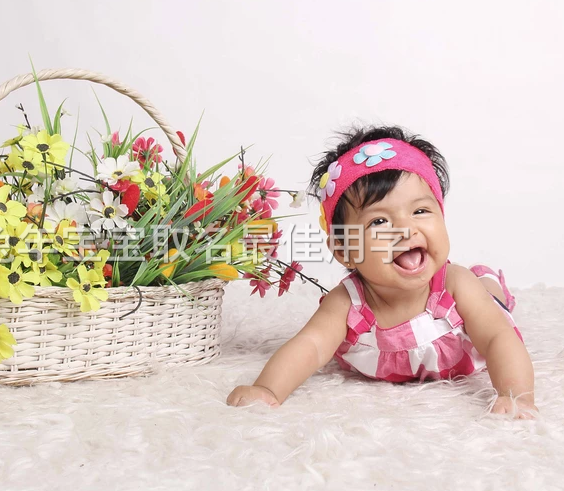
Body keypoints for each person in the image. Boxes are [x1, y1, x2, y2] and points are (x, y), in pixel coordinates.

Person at [226, 126, 536, 418]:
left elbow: (496, 337)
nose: (405, 229)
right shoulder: (347, 304)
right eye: (379, 222)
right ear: (344, 249)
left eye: (420, 211)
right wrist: (268, 389)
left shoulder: (455, 284)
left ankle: (490, 283)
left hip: (472, 309)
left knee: (490, 300)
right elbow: (311, 345)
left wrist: (516, 396)